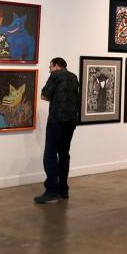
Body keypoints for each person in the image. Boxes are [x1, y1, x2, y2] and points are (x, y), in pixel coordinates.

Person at [36, 57, 80, 204]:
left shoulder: (55, 75)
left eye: (50, 67)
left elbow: (44, 95)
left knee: (49, 155)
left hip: (57, 120)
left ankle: (51, 190)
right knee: (64, 154)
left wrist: (55, 97)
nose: (49, 70)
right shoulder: (74, 77)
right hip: (71, 121)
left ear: (55, 65)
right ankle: (63, 190)